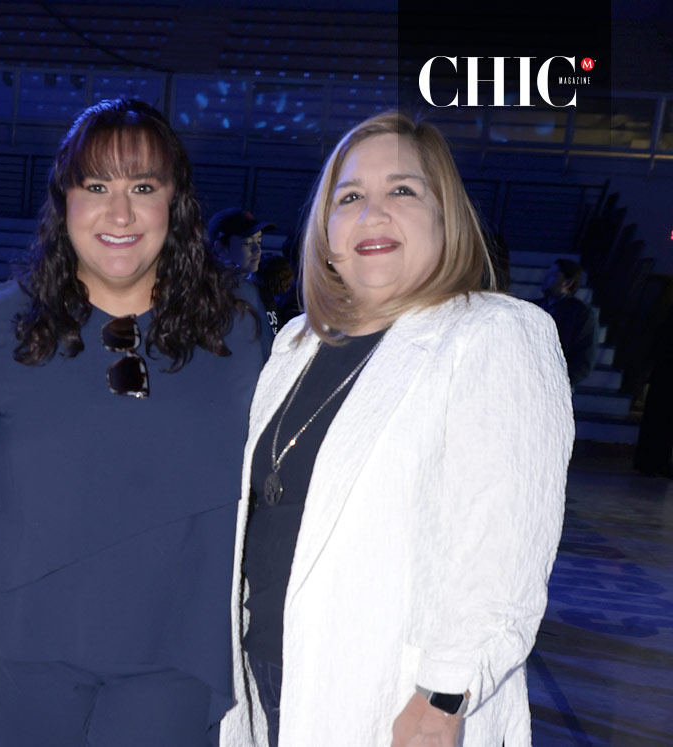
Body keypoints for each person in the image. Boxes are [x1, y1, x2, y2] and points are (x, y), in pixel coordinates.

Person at [220, 111, 574, 747]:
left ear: (445, 217)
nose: (373, 212)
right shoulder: (297, 343)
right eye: (350, 196)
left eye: (402, 190)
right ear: (326, 233)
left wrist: (444, 697)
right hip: (271, 672)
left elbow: (501, 546)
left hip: (393, 695)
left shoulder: (495, 332)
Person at [0, 98, 270, 746]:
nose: (119, 214)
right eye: (96, 187)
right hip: (19, 640)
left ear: (175, 202)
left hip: (175, 645)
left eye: (142, 188)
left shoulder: (235, 324)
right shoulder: (4, 320)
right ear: (64, 200)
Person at [537, 258, 598, 387]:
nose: (545, 278)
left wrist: (561, 382)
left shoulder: (581, 313)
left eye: (554, 275)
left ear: (568, 283)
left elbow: (584, 359)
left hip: (555, 383)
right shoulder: (534, 307)